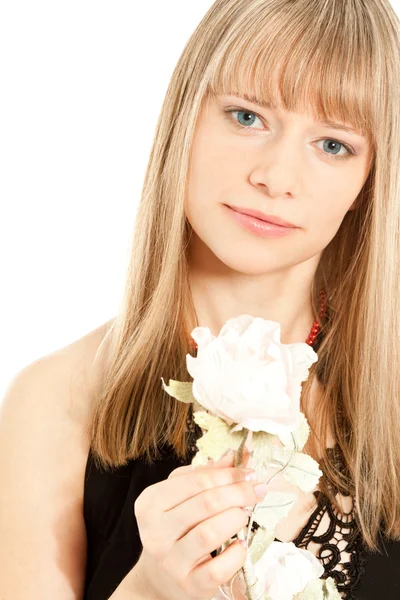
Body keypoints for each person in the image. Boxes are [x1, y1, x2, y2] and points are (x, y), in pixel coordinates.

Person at [1, 0, 400, 598]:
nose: (276, 176)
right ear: (185, 118)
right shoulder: (55, 401)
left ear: (369, 183)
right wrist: (148, 591)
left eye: (333, 145)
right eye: (246, 116)